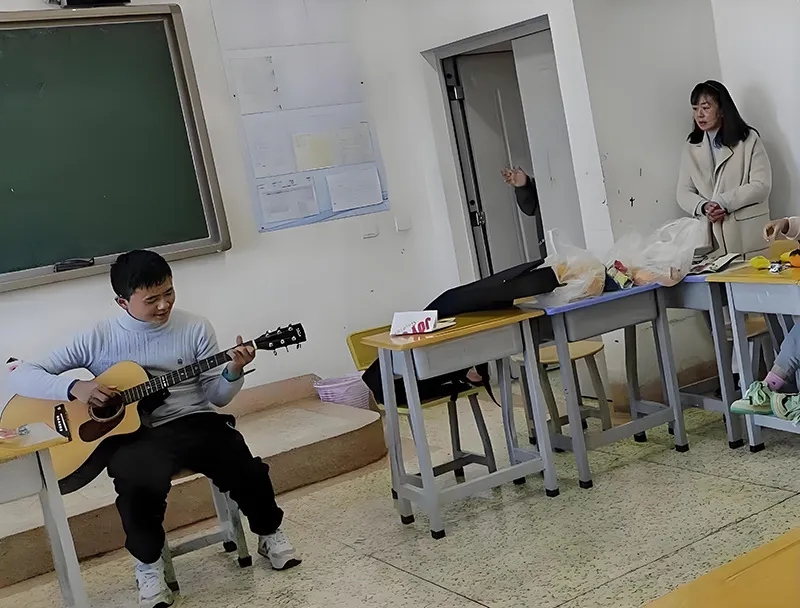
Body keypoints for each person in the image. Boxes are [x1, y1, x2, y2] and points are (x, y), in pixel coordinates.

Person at [8, 250, 300, 608]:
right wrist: (75, 388)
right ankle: (148, 566)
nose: (164, 305)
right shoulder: (98, 337)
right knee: (136, 484)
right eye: (151, 300)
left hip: (195, 420)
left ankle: (269, 533)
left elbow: (217, 397)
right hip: (134, 435)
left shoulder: (195, 327)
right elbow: (18, 373)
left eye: (169, 293)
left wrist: (233, 371)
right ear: (122, 301)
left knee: (241, 461)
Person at [677, 80, 772, 259]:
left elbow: (761, 186)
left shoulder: (748, 139)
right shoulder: (692, 146)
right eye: (695, 109)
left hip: (746, 236)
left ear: (721, 110)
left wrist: (723, 202)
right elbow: (683, 192)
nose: (699, 114)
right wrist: (704, 206)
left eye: (706, 108)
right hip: (711, 241)